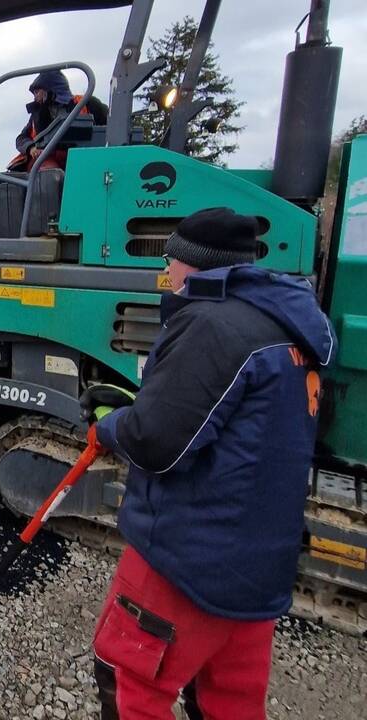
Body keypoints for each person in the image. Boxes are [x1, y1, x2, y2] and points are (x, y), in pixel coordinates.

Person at [79, 207, 335, 719]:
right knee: (230, 703)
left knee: (131, 680)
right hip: (258, 568)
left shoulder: (212, 325)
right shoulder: (292, 328)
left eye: (170, 263)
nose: (167, 276)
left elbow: (155, 442)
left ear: (189, 264)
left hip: (188, 561)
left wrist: (110, 425)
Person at [8, 70, 108, 172]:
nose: (35, 97)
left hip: (81, 157)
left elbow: (114, 122)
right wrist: (31, 147)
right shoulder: (36, 114)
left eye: (37, 92)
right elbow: (21, 138)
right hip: (46, 158)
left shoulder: (87, 103)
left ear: (49, 89)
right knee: (49, 172)